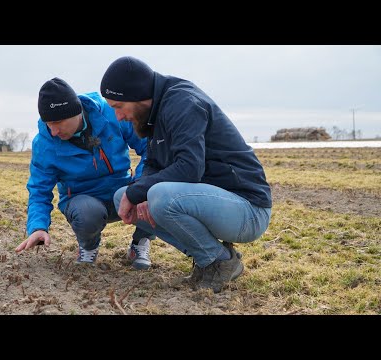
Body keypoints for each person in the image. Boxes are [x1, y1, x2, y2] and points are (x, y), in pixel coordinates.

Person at [100, 56, 272, 293]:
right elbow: (153, 163)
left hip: (248, 210)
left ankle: (220, 263)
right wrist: (138, 192)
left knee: (158, 195)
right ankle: (210, 259)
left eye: (118, 107)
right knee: (123, 197)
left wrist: (141, 191)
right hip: (209, 203)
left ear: (137, 94)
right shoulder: (154, 111)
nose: (118, 117)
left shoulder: (182, 103)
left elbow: (190, 168)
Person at [15, 77, 155, 270]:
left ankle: (140, 244)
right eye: (48, 124)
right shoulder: (44, 144)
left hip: (122, 194)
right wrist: (38, 227)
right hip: (83, 200)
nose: (53, 131)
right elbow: (39, 190)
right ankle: (88, 246)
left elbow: (150, 148)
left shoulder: (112, 114)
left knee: (152, 191)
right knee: (88, 213)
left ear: (77, 112)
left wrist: (139, 185)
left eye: (58, 122)